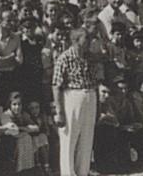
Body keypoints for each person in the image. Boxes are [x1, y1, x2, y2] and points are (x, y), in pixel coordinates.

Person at [52, 27, 97, 176]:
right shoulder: (64, 58)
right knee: (69, 138)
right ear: (76, 40)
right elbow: (56, 86)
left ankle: (83, 172)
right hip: (72, 97)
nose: (89, 41)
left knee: (86, 138)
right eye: (86, 38)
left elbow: (94, 81)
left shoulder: (89, 57)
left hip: (90, 96)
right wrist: (59, 112)